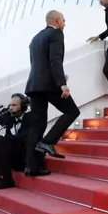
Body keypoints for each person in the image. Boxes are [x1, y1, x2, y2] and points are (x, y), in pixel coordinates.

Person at [24, 10, 80, 175]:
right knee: (72, 111)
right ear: (56, 20)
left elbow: (38, 64)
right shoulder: (56, 34)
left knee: (37, 126)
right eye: (63, 19)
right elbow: (55, 60)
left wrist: (60, 76)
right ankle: (48, 141)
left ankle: (31, 167)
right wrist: (62, 84)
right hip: (48, 85)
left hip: (34, 85)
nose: (65, 23)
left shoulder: (35, 38)